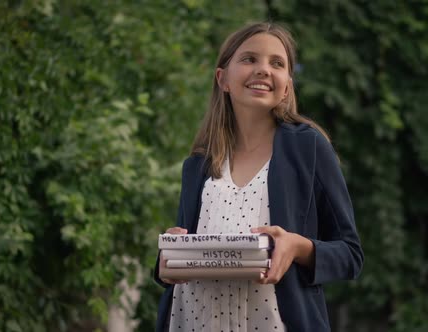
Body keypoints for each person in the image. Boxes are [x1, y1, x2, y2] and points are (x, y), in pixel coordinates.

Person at [154, 22, 363, 332]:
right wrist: (165, 264)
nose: (264, 69)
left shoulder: (308, 148)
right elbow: (175, 266)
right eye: (250, 59)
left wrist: (296, 246)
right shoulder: (198, 164)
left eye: (277, 63)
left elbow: (350, 255)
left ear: (287, 86)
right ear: (222, 79)